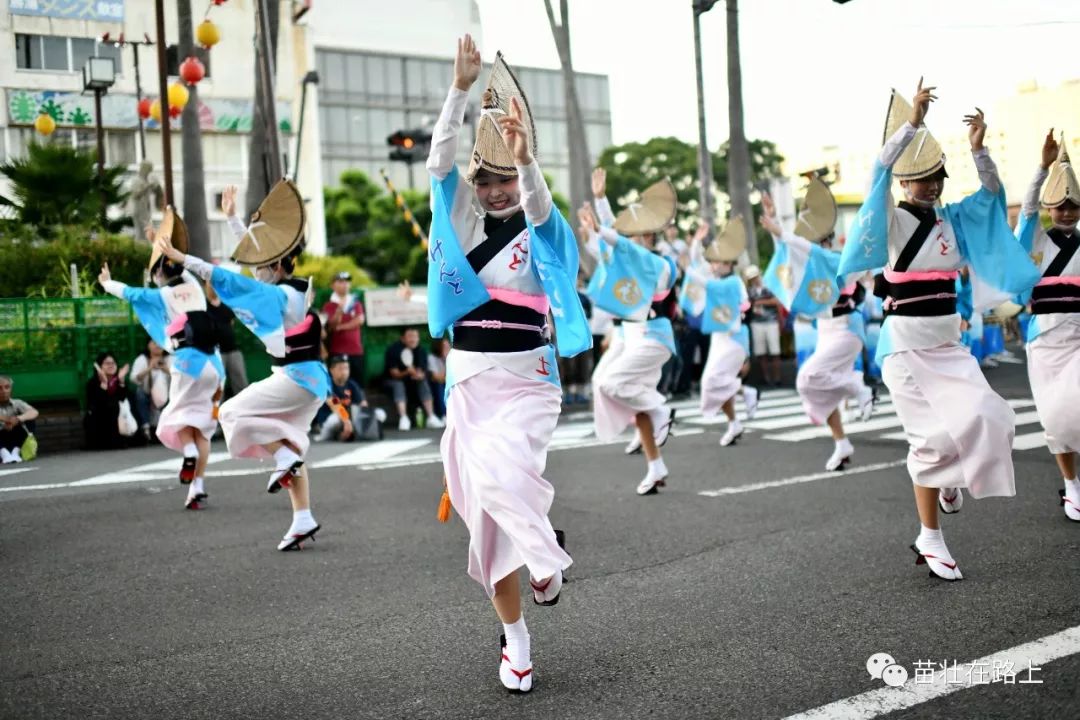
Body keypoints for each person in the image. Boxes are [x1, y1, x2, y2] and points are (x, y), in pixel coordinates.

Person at [426, 35, 591, 693]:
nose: (496, 189)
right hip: (467, 385)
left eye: (506, 179)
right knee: (485, 523)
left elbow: (545, 210)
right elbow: (439, 163)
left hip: (527, 382)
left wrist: (527, 163)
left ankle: (546, 560)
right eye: (487, 179)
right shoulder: (460, 225)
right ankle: (516, 640)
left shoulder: (540, 228)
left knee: (500, 475)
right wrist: (458, 91)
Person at [838, 80, 1041, 580]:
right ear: (907, 183)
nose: (930, 185)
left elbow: (992, 197)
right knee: (929, 441)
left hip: (948, 345)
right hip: (905, 349)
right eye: (922, 178)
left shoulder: (953, 221)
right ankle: (930, 536)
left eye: (937, 176)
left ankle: (950, 479)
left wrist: (979, 152)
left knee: (991, 415)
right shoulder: (891, 222)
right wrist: (912, 124)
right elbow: (878, 171)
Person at [157, 181, 330, 550]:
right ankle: (302, 518)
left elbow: (229, 277)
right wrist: (234, 220)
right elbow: (253, 264)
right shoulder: (288, 288)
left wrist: (182, 258)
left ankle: (283, 457)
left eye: (266, 264)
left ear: (281, 263)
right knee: (290, 448)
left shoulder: (280, 294)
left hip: (297, 377)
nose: (258, 270)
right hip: (306, 380)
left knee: (231, 412)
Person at [100, 208, 224, 509]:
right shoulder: (193, 284)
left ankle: (189, 455)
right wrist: (157, 243)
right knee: (202, 428)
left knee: (175, 417)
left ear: (158, 273)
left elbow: (131, 293)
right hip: (215, 366)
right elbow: (171, 265)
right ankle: (197, 487)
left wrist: (107, 283)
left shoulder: (163, 296)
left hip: (187, 362)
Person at [761, 177, 876, 471]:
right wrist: (774, 221)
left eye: (816, 240)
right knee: (822, 392)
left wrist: (782, 231)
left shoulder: (837, 259)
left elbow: (804, 248)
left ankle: (858, 387)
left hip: (847, 330)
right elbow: (788, 255)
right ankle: (841, 444)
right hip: (826, 332)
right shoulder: (812, 260)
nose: (811, 245)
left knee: (806, 379)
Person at [585, 170, 678, 495]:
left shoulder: (664, 265)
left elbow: (625, 246)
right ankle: (656, 467)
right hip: (632, 337)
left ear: (650, 236)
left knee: (615, 384)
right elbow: (619, 241)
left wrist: (603, 230)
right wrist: (600, 200)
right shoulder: (631, 254)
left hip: (655, 339)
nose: (632, 238)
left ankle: (659, 408)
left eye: (639, 234)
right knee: (611, 389)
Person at [1015, 130, 1080, 522]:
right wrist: (1043, 167)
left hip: (1078, 338)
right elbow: (1025, 211)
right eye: (1059, 206)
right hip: (1044, 340)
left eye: (1073, 205)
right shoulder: (1036, 238)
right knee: (1054, 418)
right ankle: (1071, 485)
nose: (1067, 212)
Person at [685, 217, 760, 447]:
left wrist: (688, 268)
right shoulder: (715, 278)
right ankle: (734, 421)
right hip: (719, 338)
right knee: (716, 384)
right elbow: (697, 262)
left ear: (729, 263)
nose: (714, 265)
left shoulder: (734, 281)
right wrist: (696, 242)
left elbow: (744, 303)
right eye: (714, 262)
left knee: (711, 382)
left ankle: (746, 393)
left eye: (718, 262)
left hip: (734, 339)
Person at [384, 328, 443, 430]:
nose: (413, 339)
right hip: (393, 381)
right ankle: (403, 418)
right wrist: (407, 372)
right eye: (410, 336)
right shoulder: (393, 350)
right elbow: (394, 374)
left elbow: (422, 370)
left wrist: (419, 375)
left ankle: (431, 416)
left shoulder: (420, 350)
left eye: (415, 337)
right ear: (403, 338)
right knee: (399, 385)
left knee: (422, 381)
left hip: (412, 381)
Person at [322, 271, 366, 385]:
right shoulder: (329, 305)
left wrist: (341, 327)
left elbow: (360, 320)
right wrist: (338, 312)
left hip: (356, 351)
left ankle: (358, 403)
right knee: (337, 384)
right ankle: (339, 404)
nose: (345, 284)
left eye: (347, 282)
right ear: (332, 285)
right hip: (337, 351)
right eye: (341, 282)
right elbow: (332, 326)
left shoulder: (355, 302)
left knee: (356, 384)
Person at [83, 351, 133, 450]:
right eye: (107, 363)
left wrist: (122, 381)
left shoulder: (118, 380)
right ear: (99, 366)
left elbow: (123, 399)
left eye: (113, 363)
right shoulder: (93, 383)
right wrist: (104, 385)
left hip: (118, 418)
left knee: (115, 405)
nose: (111, 366)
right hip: (99, 419)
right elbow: (95, 404)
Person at [206, 280, 248, 397]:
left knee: (241, 384)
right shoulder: (204, 306)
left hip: (233, 351)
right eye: (210, 285)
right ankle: (216, 413)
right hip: (216, 354)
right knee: (218, 387)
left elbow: (231, 323)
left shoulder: (227, 306)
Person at [745, 265, 783, 386]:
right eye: (752, 278)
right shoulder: (749, 291)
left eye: (755, 277)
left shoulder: (769, 287)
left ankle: (777, 377)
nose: (754, 280)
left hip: (771, 321)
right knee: (761, 353)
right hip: (756, 322)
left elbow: (777, 301)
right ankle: (766, 377)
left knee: (775, 351)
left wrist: (759, 302)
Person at [314, 355, 367, 442]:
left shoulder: (351, 384)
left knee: (380, 414)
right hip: (330, 419)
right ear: (331, 370)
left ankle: (347, 435)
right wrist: (346, 420)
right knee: (335, 419)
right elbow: (335, 404)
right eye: (340, 368)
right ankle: (324, 436)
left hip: (349, 419)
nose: (344, 372)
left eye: (346, 368)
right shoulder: (327, 384)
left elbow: (362, 404)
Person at [129, 338, 171, 441]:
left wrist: (166, 369)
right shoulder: (142, 359)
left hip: (169, 395)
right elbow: (134, 379)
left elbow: (181, 377)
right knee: (140, 393)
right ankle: (146, 427)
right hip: (148, 395)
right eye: (154, 343)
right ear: (148, 345)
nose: (157, 345)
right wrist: (149, 368)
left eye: (160, 343)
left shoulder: (171, 358)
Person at [0, 376, 38, 463]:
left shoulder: (17, 403)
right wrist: (5, 422)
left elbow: (34, 412)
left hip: (15, 438)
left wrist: (18, 419)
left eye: (7, 387)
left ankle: (15, 452)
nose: (4, 391)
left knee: (29, 420)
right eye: (0, 388)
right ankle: (3, 453)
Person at [428, 337, 449, 420]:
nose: (448, 348)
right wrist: (447, 360)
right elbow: (437, 378)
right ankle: (443, 414)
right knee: (439, 385)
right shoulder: (431, 358)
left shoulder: (453, 357)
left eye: (448, 346)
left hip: (446, 381)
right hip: (436, 383)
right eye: (445, 346)